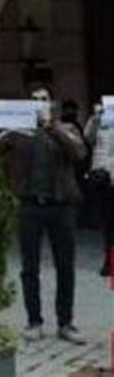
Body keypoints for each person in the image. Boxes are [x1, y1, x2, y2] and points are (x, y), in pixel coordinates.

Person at [0, 86, 86, 345]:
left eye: (43, 100)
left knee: (65, 266)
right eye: (33, 100)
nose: (39, 104)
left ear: (51, 104)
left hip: (61, 206)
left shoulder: (66, 129)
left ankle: (66, 322)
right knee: (29, 267)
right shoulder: (19, 132)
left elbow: (79, 153)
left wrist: (52, 127)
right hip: (29, 205)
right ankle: (34, 320)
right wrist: (3, 126)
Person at [84, 100, 114, 277]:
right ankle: (109, 261)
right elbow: (88, 138)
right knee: (106, 224)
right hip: (101, 178)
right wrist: (96, 117)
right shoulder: (100, 119)